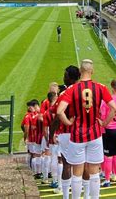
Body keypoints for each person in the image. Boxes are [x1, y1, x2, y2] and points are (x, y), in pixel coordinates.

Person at [57, 59, 116, 199]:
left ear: (80, 71)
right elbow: (114, 108)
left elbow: (60, 111)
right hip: (95, 134)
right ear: (92, 71)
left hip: (77, 135)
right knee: (94, 172)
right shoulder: (100, 87)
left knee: (76, 172)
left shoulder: (72, 89)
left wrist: (68, 123)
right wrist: (104, 124)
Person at [49, 65, 81, 197]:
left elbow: (57, 116)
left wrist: (51, 134)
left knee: (67, 164)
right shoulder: (84, 91)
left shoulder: (64, 94)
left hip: (67, 133)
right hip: (81, 132)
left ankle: (66, 195)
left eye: (65, 75)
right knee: (81, 165)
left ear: (70, 77)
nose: (63, 77)